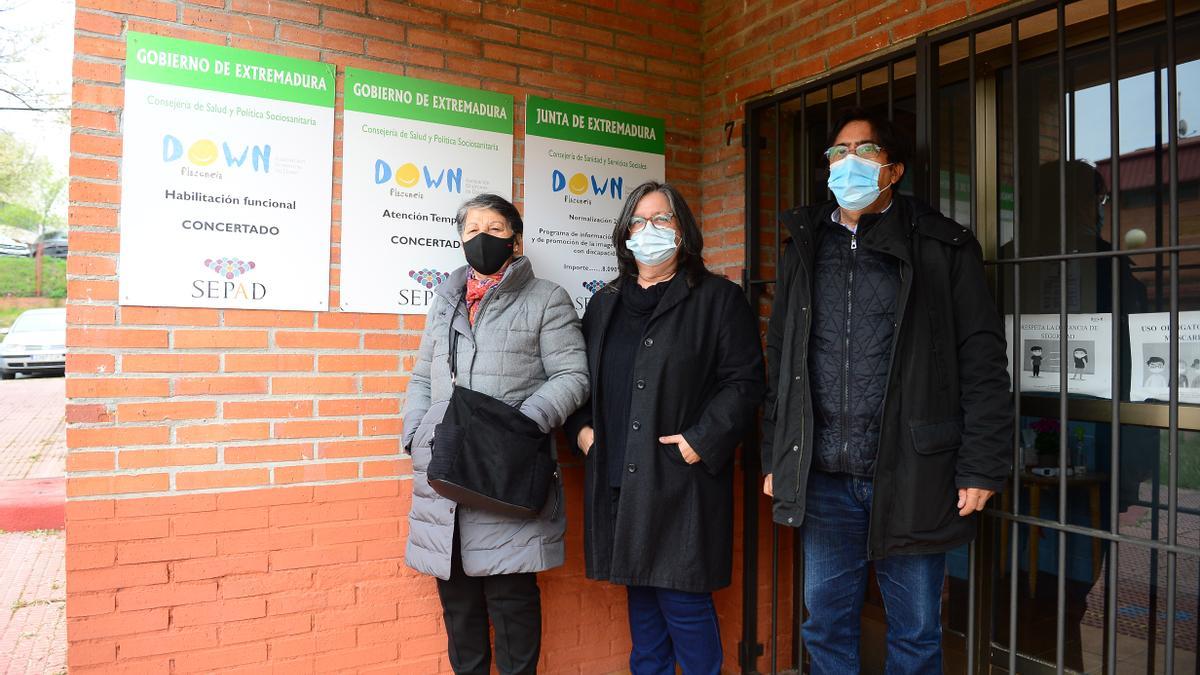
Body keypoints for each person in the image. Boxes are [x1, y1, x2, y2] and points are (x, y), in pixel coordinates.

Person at [761, 107, 1012, 673]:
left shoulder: (943, 246)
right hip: (823, 476)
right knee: (825, 625)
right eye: (838, 152)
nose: (847, 161)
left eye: (864, 151)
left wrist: (982, 464)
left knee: (917, 633)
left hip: (913, 473)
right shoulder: (804, 246)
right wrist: (778, 455)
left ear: (893, 171)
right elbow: (782, 366)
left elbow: (982, 360)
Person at [564, 181, 764, 675]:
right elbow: (578, 379)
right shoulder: (605, 303)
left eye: (662, 219)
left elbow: (745, 382)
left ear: (683, 231)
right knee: (645, 612)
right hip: (621, 480)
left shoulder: (718, 299)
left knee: (684, 607)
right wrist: (582, 430)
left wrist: (701, 441)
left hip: (682, 481)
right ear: (624, 234)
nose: (648, 230)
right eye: (638, 221)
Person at [403, 193, 589, 675]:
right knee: (459, 608)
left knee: (512, 607)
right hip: (444, 469)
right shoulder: (444, 301)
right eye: (470, 230)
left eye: (494, 228)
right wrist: (416, 434)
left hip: (504, 469)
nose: (481, 237)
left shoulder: (545, 298)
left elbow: (572, 376)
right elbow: (422, 377)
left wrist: (519, 428)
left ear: (514, 237)